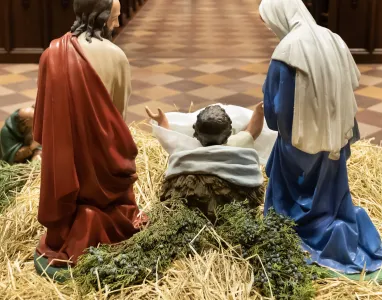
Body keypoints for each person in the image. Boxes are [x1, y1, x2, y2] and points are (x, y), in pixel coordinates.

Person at [259, 0, 382, 277]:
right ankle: (334, 223)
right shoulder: (333, 38)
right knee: (330, 190)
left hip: (298, 143)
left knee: (290, 193)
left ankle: (297, 232)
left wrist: (283, 128)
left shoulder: (286, 51)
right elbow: (350, 84)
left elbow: (276, 108)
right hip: (336, 137)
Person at [33, 0, 147, 277]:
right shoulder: (116, 56)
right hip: (104, 155)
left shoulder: (52, 53)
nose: (117, 24)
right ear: (101, 16)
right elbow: (118, 112)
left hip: (65, 155)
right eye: (115, 18)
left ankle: (70, 229)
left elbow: (44, 114)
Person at [145, 102, 265, 150]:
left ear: (195, 132)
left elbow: (167, 138)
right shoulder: (236, 144)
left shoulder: (186, 147)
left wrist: (162, 120)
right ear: (229, 134)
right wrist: (259, 111)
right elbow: (253, 130)